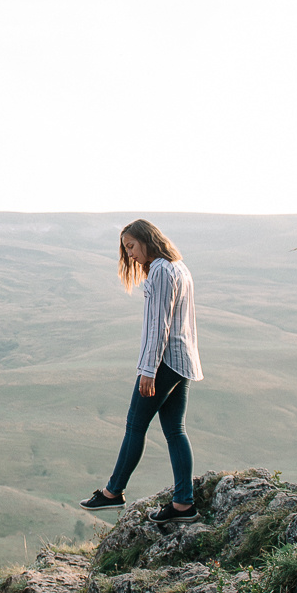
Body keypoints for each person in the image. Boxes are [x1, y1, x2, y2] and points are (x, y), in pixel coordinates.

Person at [79, 219, 204, 523]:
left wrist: (149, 370)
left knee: (135, 425)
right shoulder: (179, 267)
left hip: (163, 363)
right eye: (126, 249)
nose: (130, 254)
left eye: (131, 246)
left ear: (147, 239)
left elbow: (158, 325)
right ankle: (183, 504)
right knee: (175, 430)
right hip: (182, 360)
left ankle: (113, 492)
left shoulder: (160, 269)